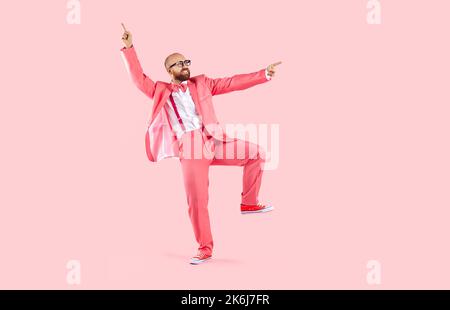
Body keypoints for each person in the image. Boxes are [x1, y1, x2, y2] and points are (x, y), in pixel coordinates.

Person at [120, 23, 281, 265]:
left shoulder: (202, 83)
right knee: (198, 201)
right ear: (169, 69)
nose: (185, 66)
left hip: (213, 139)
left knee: (256, 153)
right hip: (190, 146)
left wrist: (263, 74)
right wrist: (130, 47)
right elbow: (138, 78)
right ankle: (204, 248)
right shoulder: (160, 90)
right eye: (179, 63)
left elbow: (232, 82)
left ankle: (248, 203)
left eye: (187, 62)